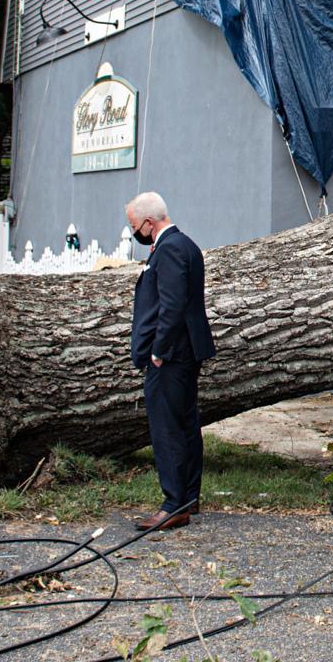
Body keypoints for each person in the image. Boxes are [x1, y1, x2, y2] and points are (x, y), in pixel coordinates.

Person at [126, 192, 216, 531]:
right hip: (184, 351)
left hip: (173, 354)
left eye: (134, 225)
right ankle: (188, 496)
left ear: (149, 223)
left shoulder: (172, 248)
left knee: (168, 428)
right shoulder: (186, 245)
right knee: (185, 423)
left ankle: (174, 502)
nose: (134, 231)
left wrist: (158, 351)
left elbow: (173, 304)